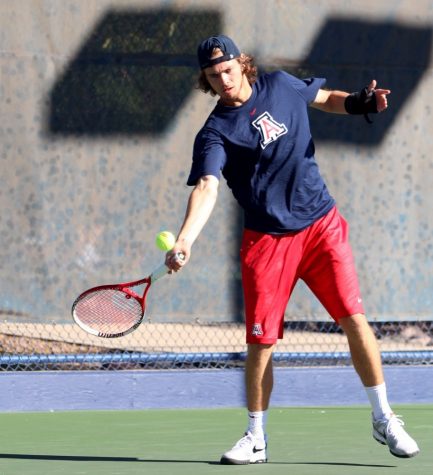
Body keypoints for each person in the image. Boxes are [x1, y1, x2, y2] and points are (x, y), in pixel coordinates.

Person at [165, 35, 420, 464]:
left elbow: (324, 98)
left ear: (242, 65)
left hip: (321, 226)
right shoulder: (214, 133)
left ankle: (384, 417)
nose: (223, 81)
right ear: (206, 80)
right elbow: (207, 185)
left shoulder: (281, 85)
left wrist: (360, 103)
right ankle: (256, 437)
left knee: (355, 320)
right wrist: (186, 237)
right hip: (267, 241)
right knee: (261, 344)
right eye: (213, 76)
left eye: (227, 70)